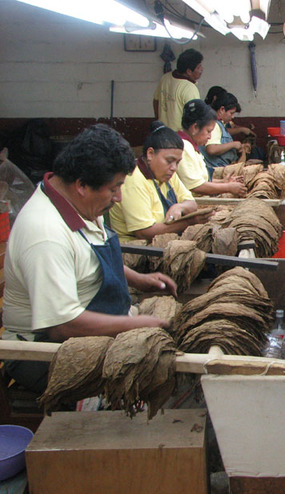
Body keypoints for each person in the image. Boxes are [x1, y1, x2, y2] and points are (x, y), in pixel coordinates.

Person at [2, 124, 178, 393]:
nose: (118, 197)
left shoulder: (76, 201)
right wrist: (140, 323)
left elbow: (91, 257)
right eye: (114, 188)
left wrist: (139, 280)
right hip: (45, 350)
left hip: (87, 322)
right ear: (82, 184)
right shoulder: (45, 234)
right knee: (155, 373)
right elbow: (64, 325)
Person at [110, 121, 205, 243]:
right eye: (169, 160)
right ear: (150, 154)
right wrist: (188, 222)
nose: (174, 167)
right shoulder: (134, 179)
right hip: (136, 248)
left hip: (164, 240)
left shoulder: (169, 175)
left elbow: (192, 204)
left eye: (177, 162)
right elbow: (144, 232)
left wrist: (179, 207)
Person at [176, 99, 247, 196]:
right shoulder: (184, 148)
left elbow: (200, 180)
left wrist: (223, 182)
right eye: (208, 131)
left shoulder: (192, 147)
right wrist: (228, 187)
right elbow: (196, 186)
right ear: (195, 128)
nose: (210, 137)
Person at [153, 49, 203, 132]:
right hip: (180, 137)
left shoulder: (165, 78)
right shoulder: (189, 88)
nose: (202, 69)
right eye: (199, 67)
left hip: (162, 133)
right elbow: (195, 117)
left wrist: (158, 120)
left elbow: (155, 101)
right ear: (189, 71)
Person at [201, 92, 252, 173]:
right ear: (222, 110)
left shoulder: (220, 125)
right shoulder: (214, 126)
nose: (233, 116)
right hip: (216, 171)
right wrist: (233, 144)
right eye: (231, 113)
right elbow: (211, 149)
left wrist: (239, 146)